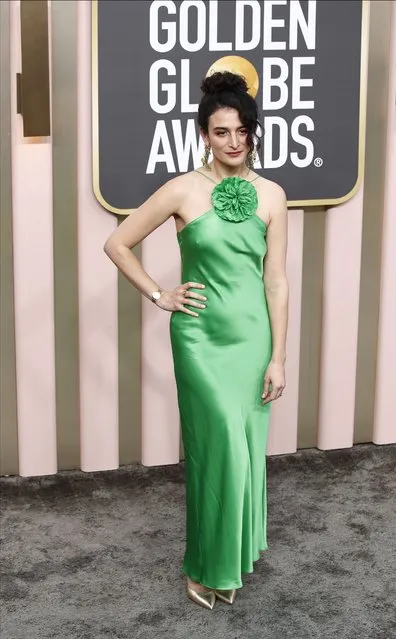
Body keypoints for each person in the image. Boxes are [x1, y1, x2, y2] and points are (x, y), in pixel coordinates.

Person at [104, 71, 289, 610]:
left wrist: (278, 355)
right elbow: (117, 243)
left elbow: (275, 280)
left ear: (252, 132)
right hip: (201, 340)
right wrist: (159, 294)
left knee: (247, 450)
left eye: (242, 130)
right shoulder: (183, 189)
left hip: (253, 338)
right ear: (204, 135)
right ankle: (205, 565)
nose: (233, 141)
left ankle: (234, 556)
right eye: (221, 131)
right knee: (217, 452)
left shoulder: (273, 195)